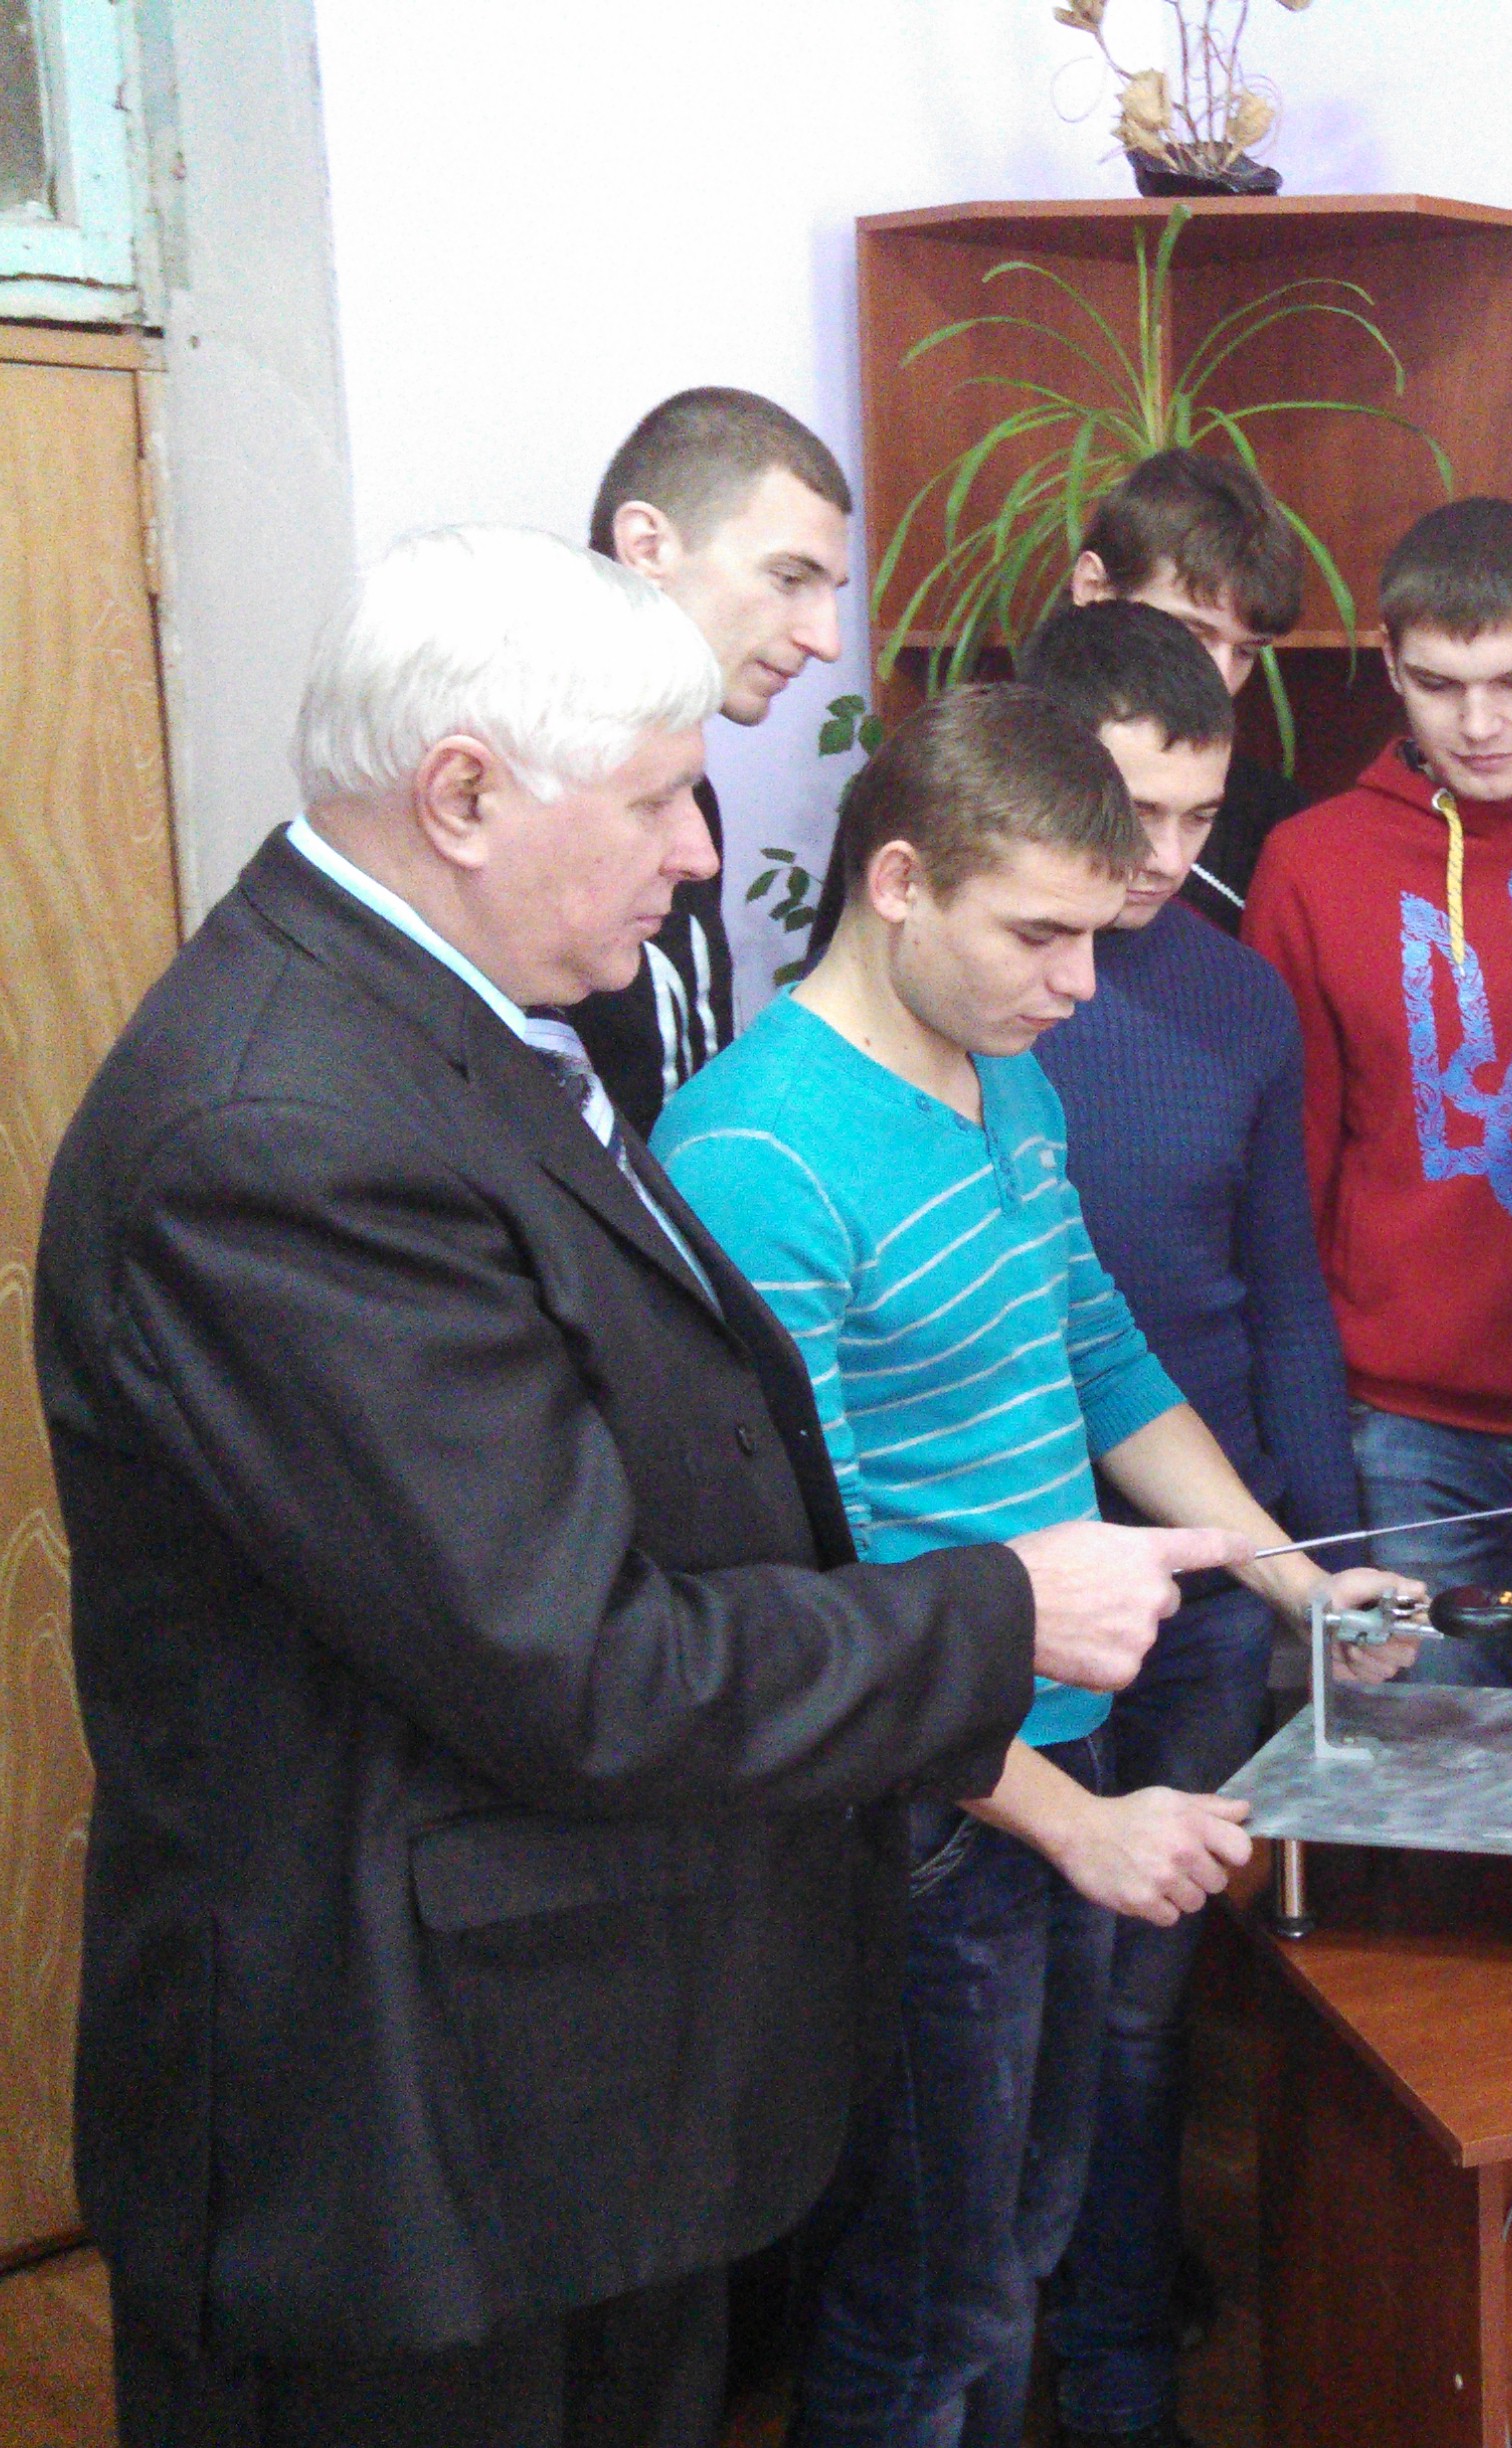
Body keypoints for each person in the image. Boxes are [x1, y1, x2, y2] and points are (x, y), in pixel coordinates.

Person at [39, 526, 1234, 2448]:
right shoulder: (278, 1129)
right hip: (410, 2136)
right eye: (659, 798)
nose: (698, 853)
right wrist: (1003, 1607)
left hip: (567, 2068)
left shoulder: (463, 1025)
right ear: (461, 797)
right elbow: (572, 1658)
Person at [656, 682, 1408, 2448]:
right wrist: (1071, 1825)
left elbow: (1101, 1352)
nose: (1081, 982)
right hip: (924, 1806)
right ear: (899, 883)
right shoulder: (752, 1151)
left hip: (1058, 1738)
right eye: (1039, 935)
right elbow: (815, 1593)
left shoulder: (1001, 1074)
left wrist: (1294, 1582)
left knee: (1027, 2244)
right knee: (930, 2302)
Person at [1015, 597, 1372, 2448]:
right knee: (998, 1998)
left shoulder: (1238, 996)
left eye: (1199, 814)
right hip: (1009, 1579)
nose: (1164, 856)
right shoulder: (988, 993)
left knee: (1150, 2001)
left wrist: (1326, 1552)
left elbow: (1283, 1293)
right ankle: (1000, 2348)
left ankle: (1124, 2367)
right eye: (1129, 812)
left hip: (1216, 1569)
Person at [1245, 497, 1512, 1682]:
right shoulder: (1314, 862)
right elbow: (1294, 1172)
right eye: (1438, 686)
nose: (1480, 725)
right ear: (1390, 665)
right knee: (1427, 1764)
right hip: (1410, 1426)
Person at [560, 385, 854, 1131]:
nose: (826, 640)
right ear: (648, 548)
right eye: (789, 579)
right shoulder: (536, 804)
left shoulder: (695, 800)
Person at [1065, 450, 1308, 927]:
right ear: (1093, 587)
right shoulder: (962, 780)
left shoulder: (1273, 828)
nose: (1219, 679)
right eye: (1191, 632)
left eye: (1246, 652)